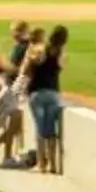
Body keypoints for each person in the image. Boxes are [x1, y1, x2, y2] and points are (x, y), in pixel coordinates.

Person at [25, 25, 69, 174]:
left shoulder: (40, 49)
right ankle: (53, 164)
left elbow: (31, 65)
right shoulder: (62, 54)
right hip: (53, 93)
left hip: (37, 92)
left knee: (40, 129)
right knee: (51, 130)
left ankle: (41, 164)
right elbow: (61, 67)